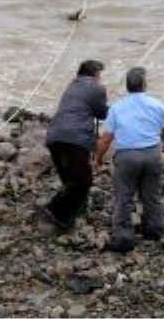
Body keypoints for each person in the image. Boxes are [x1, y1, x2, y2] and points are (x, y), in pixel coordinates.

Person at [94, 66, 164, 253]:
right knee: (152, 194)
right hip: (152, 154)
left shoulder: (116, 108)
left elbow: (106, 138)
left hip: (127, 157)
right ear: (144, 85)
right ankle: (154, 230)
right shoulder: (157, 105)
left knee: (123, 196)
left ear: (127, 86)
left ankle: (124, 236)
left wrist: (98, 158)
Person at [43, 59, 108, 230]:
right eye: (100, 75)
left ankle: (68, 216)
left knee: (70, 181)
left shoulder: (71, 86)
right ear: (95, 75)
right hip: (75, 139)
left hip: (54, 136)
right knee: (83, 182)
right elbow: (102, 114)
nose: (100, 78)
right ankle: (54, 210)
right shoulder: (97, 87)